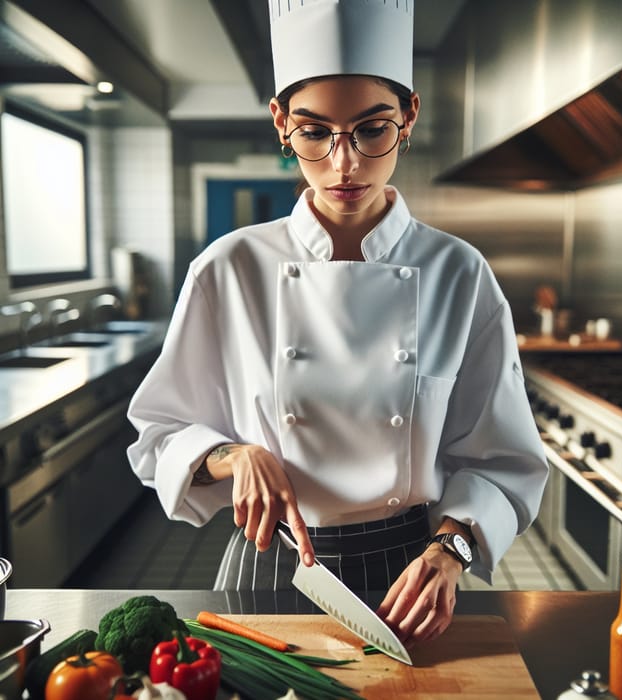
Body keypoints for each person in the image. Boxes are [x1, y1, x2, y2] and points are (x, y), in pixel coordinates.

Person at [127, 0, 548, 647]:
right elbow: (159, 433)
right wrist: (232, 455)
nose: (343, 163)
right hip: (270, 563)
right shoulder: (230, 267)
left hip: (413, 571)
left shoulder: (458, 272)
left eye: (371, 130)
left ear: (407, 116)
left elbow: (504, 461)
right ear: (280, 124)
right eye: (315, 132)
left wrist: (452, 553)